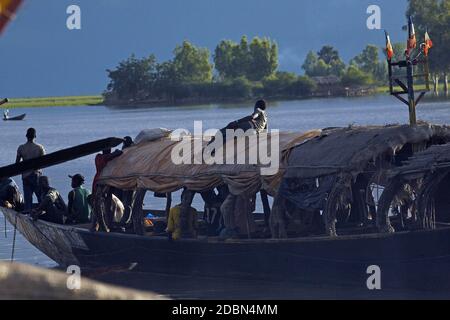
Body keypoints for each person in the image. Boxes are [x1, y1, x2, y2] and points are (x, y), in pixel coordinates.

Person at [16, 128, 46, 212]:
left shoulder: (21, 148)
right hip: (37, 175)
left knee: (28, 200)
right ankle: (42, 214)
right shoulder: (40, 147)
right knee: (40, 197)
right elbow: (44, 161)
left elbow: (17, 164)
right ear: (35, 136)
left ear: (26, 136)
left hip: (26, 176)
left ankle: (28, 216)